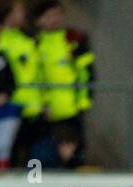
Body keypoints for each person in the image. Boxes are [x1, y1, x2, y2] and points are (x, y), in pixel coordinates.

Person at [33, 0, 93, 153]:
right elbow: (36, 77)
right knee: (45, 153)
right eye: (49, 16)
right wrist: (43, 105)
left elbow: (86, 72)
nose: (54, 19)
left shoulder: (74, 38)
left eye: (57, 15)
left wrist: (83, 102)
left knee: (74, 153)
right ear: (39, 20)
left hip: (72, 109)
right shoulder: (35, 43)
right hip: (47, 112)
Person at [0, 1, 44, 166]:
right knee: (10, 154)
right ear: (8, 14)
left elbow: (37, 74)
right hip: (10, 108)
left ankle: (33, 186)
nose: (24, 14)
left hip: (33, 108)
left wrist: (44, 101)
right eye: (20, 11)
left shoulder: (27, 41)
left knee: (35, 156)